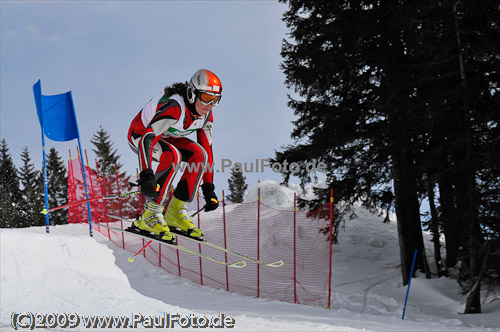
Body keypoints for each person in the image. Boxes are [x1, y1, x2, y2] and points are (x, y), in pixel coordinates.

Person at [127, 69, 221, 243]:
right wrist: (146, 174)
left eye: (216, 100)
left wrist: (208, 188)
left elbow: (207, 148)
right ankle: (150, 214)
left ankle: (175, 212)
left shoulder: (206, 114)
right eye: (207, 98)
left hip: (166, 136)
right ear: (193, 94)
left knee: (200, 155)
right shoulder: (175, 107)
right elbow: (148, 138)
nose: (210, 104)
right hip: (140, 135)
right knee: (173, 156)